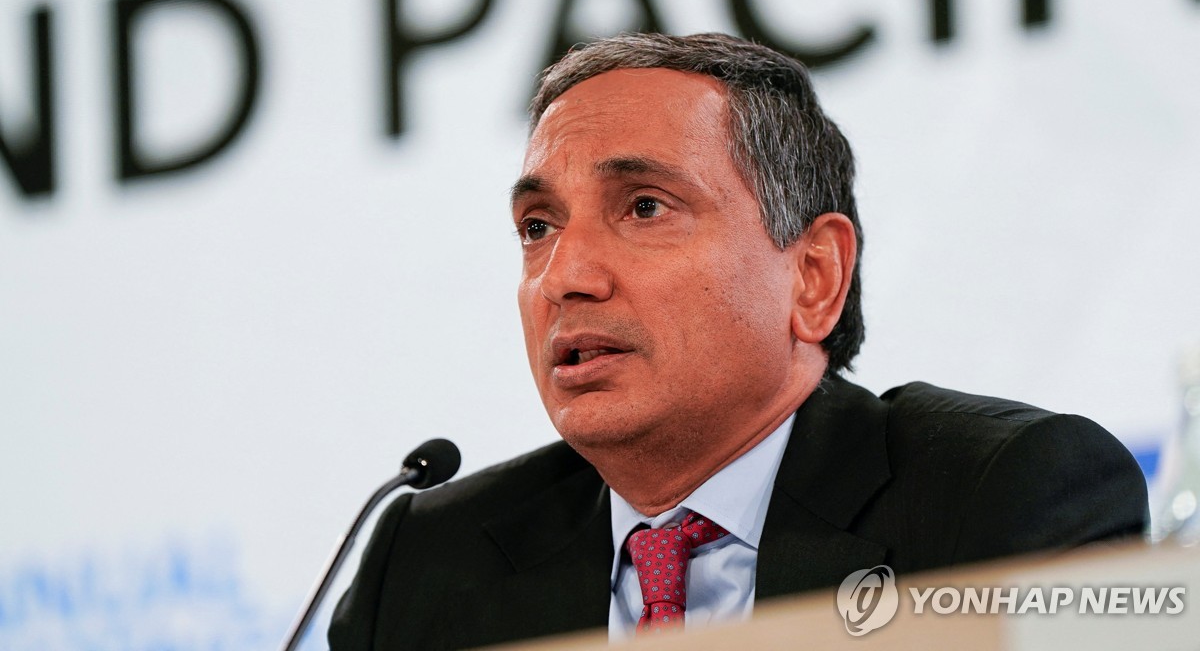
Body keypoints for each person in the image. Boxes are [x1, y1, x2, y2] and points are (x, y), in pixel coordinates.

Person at [328, 33, 1147, 650]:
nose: (564, 276)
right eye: (538, 226)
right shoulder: (426, 564)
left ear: (813, 276)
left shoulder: (1001, 500)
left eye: (644, 207)